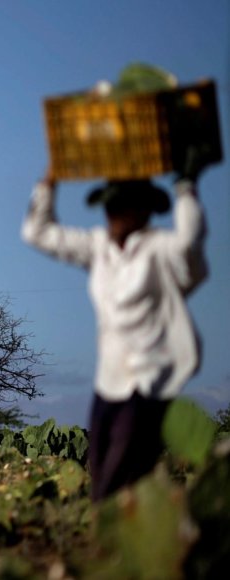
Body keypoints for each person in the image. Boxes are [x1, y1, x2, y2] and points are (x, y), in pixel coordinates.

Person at [21, 166, 208, 502]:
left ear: (143, 212)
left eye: (122, 207)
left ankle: (116, 542)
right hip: (110, 380)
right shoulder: (98, 248)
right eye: (110, 208)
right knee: (101, 464)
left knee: (123, 474)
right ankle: (113, 537)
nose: (114, 216)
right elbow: (37, 233)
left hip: (149, 379)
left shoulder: (160, 250)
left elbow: (190, 247)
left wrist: (186, 190)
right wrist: (47, 183)